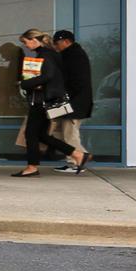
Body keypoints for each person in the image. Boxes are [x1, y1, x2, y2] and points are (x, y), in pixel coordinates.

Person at [14, 29, 87, 177]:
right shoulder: (51, 54)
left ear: (34, 40)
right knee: (41, 135)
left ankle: (32, 167)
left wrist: (25, 84)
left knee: (31, 133)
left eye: (26, 42)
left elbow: (48, 75)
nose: (26, 45)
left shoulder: (45, 55)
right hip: (47, 99)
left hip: (42, 100)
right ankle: (77, 154)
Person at [50, 30, 94, 172]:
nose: (56, 47)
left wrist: (64, 95)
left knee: (69, 133)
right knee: (61, 132)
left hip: (75, 102)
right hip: (74, 101)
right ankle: (73, 160)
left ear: (66, 41)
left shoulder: (74, 56)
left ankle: (78, 160)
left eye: (57, 43)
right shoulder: (72, 54)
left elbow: (75, 81)